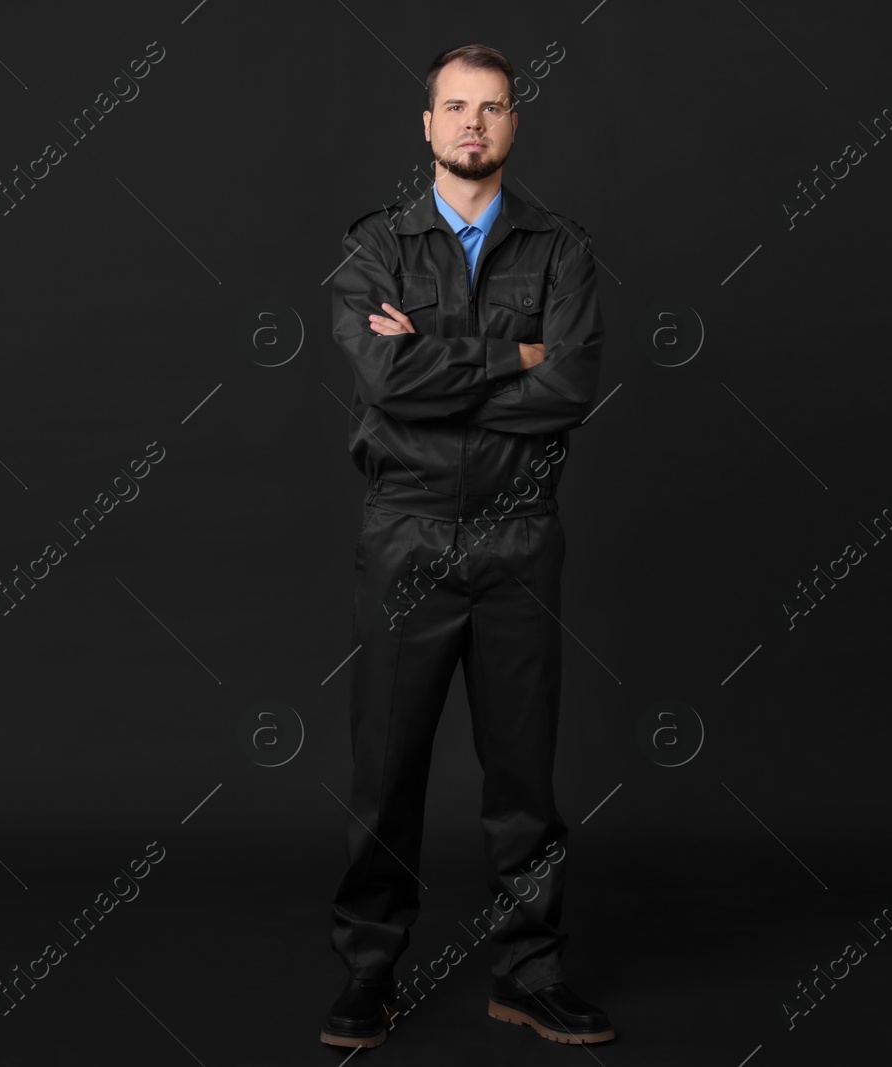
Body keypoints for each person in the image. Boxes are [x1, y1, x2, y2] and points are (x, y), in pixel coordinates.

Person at [320, 43, 612, 1049]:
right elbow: (385, 386)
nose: (472, 124)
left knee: (523, 778)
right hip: (405, 540)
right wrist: (509, 358)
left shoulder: (561, 250)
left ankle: (528, 974)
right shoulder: (373, 249)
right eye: (455, 107)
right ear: (428, 125)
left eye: (491, 108)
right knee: (386, 770)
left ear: (512, 125)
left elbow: (569, 387)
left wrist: (442, 367)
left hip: (519, 539)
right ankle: (366, 974)